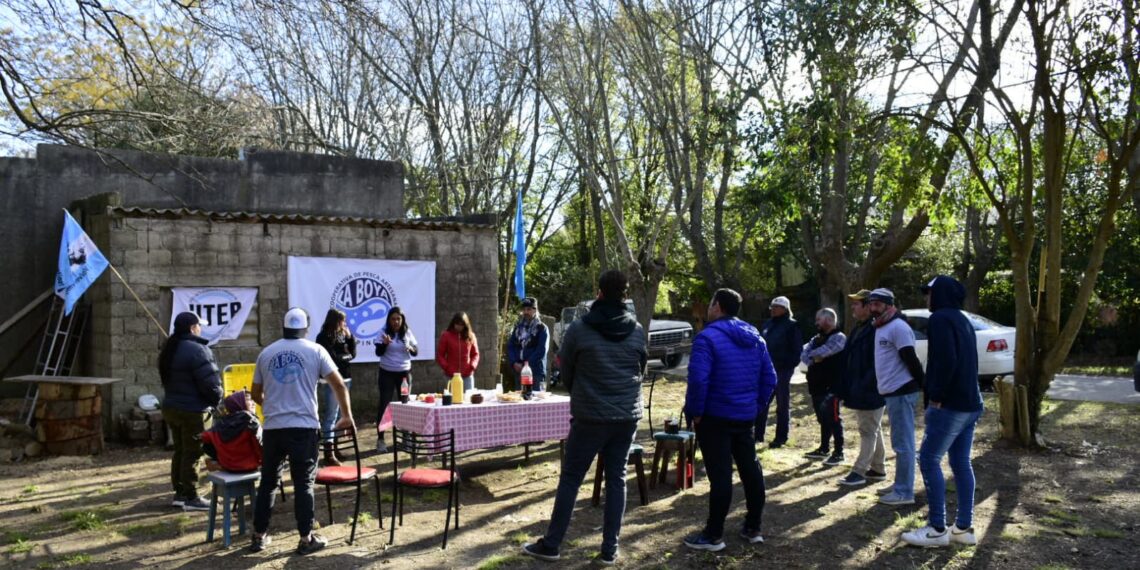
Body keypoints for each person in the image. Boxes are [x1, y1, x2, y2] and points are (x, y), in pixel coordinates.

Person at [522, 270, 647, 566]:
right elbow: (640, 369)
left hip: (590, 414)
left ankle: (552, 544)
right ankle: (610, 550)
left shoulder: (579, 328)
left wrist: (583, 390)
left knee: (571, 479)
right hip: (626, 415)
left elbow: (565, 370)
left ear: (599, 293)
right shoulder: (637, 329)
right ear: (625, 295)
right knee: (616, 478)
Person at [250, 308, 354, 555]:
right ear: (305, 329)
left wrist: (273, 407)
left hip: (273, 428)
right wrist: (347, 416)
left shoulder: (266, 353)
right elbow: (339, 384)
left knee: (268, 482)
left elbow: (255, 393)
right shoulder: (315, 351)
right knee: (303, 483)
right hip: (304, 427)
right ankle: (306, 538)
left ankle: (259, 536)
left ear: (284, 327)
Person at [682, 288, 778, 552]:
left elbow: (698, 380)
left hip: (715, 417)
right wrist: (755, 407)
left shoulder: (707, 338)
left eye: (710, 304)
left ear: (717, 307)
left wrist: (695, 412)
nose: (707, 309)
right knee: (750, 470)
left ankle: (714, 534)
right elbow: (770, 379)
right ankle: (753, 527)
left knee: (721, 475)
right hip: (744, 416)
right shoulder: (755, 336)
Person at [902, 276, 982, 547]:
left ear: (940, 294)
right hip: (971, 403)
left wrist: (936, 396)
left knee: (928, 459)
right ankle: (963, 528)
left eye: (929, 293)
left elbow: (946, 360)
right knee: (960, 462)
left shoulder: (940, 319)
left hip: (950, 405)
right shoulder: (963, 319)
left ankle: (936, 528)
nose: (926, 298)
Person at [866, 288, 925, 506]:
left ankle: (904, 492)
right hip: (891, 392)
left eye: (878, 304)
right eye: (871, 304)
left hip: (902, 391)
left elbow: (910, 358)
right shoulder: (881, 326)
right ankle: (900, 484)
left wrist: (923, 385)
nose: (873, 308)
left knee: (903, 443)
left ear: (889, 305)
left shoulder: (898, 327)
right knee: (898, 442)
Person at [159, 311, 223, 512]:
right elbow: (211, 383)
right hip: (193, 410)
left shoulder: (169, 348)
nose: (200, 329)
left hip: (172, 407)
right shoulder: (198, 350)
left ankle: (180, 493)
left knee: (180, 450)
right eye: (199, 325)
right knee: (194, 452)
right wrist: (218, 399)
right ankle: (192, 496)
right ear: (192, 328)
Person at [836, 290, 888, 487]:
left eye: (857, 304)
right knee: (873, 427)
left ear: (868, 306)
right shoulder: (860, 327)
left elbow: (876, 363)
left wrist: (864, 385)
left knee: (868, 430)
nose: (853, 307)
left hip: (870, 389)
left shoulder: (875, 329)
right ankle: (878, 468)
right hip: (861, 387)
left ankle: (859, 471)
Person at [801, 308, 847, 466]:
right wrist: (815, 357)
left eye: (818, 320)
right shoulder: (816, 338)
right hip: (816, 386)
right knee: (822, 419)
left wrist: (815, 356)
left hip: (832, 387)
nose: (816, 323)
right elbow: (804, 355)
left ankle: (839, 452)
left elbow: (826, 351)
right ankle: (824, 448)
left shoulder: (839, 337)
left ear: (828, 320)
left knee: (833, 418)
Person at [757, 295, 802, 447]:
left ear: (785, 309)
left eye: (777, 307)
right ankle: (758, 436)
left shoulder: (792, 325)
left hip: (782, 370)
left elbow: (797, 350)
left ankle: (781, 438)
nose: (773, 309)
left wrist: (787, 367)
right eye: (772, 306)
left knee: (782, 404)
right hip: (765, 369)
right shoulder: (767, 324)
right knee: (762, 402)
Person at [315, 309, 356, 466]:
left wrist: (350, 338)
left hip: (346, 377)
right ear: (334, 321)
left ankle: (335, 448)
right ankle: (329, 453)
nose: (344, 324)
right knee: (331, 416)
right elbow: (333, 359)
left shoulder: (342, 335)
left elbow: (353, 354)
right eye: (342, 321)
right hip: (331, 380)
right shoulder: (323, 337)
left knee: (341, 415)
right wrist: (346, 357)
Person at [374, 306, 417, 453]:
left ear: (402, 320)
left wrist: (411, 348)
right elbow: (378, 352)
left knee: (405, 404)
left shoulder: (407, 332)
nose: (396, 322)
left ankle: (405, 438)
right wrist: (385, 344)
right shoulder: (383, 332)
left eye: (398, 319)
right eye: (393, 319)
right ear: (389, 320)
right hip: (387, 374)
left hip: (404, 375)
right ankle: (381, 440)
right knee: (384, 404)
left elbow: (416, 352)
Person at [201, 390, 262, 473]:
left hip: (227, 466)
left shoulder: (222, 423)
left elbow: (204, 438)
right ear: (238, 403)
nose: (254, 403)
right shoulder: (251, 421)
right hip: (250, 466)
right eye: (249, 400)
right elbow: (261, 444)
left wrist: (218, 456)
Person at [508, 297, 549, 391]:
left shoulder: (542, 328)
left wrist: (525, 365)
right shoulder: (518, 328)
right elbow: (511, 346)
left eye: (529, 309)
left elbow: (541, 351)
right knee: (519, 398)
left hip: (535, 372)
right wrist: (514, 363)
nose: (525, 312)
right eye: (524, 309)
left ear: (535, 310)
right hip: (519, 371)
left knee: (536, 399)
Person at [436, 311, 481, 392]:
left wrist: (472, 366)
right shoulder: (446, 335)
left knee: (468, 398)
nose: (459, 327)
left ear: (465, 325)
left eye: (461, 324)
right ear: (453, 323)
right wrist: (447, 367)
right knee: (452, 398)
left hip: (467, 375)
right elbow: (440, 355)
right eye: (457, 324)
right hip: (451, 376)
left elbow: (475, 354)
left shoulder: (471, 336)